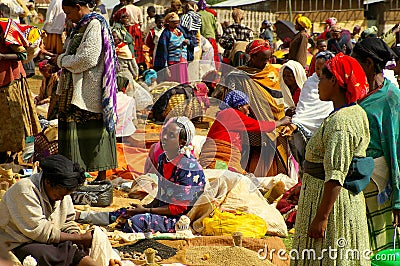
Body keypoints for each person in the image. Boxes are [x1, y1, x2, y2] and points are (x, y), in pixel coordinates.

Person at [292, 53, 371, 265]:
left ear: (335, 80)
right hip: (331, 198)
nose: (317, 83)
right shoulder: (353, 112)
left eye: (322, 78)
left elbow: (336, 175)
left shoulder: (341, 123)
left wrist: (321, 217)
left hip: (332, 206)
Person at [78, 117, 206, 233]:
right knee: (124, 212)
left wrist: (146, 211)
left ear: (182, 143)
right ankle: (82, 217)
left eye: (171, 135)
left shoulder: (188, 168)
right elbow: (161, 195)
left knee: (136, 221)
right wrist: (146, 206)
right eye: (165, 132)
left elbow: (178, 209)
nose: (164, 137)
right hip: (162, 211)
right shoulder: (163, 159)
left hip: (179, 219)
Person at [56, 0, 118, 181]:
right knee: (77, 131)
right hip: (76, 87)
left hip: (89, 89)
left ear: (78, 7)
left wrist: (60, 61)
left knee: (94, 132)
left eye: (68, 12)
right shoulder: (80, 27)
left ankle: (101, 177)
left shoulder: (94, 25)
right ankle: (77, 175)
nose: (68, 17)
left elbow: (87, 58)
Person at [0, 155, 98, 265]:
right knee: (51, 254)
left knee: (75, 249)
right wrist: (79, 238)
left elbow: (67, 221)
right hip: (16, 243)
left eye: (65, 195)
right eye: (60, 194)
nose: (62, 198)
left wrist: (75, 236)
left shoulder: (63, 194)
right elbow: (41, 232)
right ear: (48, 182)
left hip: (46, 240)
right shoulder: (25, 191)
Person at [352, 38, 400, 252]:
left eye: (356, 62)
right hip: (355, 178)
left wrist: (398, 199)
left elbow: (396, 150)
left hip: (378, 182)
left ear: (369, 63)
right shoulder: (358, 93)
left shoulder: (390, 98)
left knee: (379, 246)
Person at [223, 39, 290, 177]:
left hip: (275, 124)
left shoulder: (272, 72)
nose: (266, 62)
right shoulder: (237, 77)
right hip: (250, 127)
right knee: (252, 161)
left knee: (273, 166)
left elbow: (279, 98)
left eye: (268, 58)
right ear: (252, 57)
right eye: (263, 59)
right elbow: (231, 104)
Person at [199, 90, 291, 174]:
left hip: (219, 157)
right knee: (229, 176)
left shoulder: (227, 115)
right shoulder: (231, 114)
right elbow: (259, 126)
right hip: (220, 156)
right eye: (247, 108)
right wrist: (281, 122)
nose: (248, 112)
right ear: (239, 106)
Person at [0, 3, 40, 163]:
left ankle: (12, 154)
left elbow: (23, 56)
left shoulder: (7, 29)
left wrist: (2, 57)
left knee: (12, 120)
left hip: (10, 81)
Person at [154, 12, 189, 84]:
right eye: (174, 23)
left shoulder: (179, 31)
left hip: (182, 61)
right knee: (174, 83)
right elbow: (163, 50)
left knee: (183, 83)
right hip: (173, 63)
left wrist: (187, 42)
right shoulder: (166, 34)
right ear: (168, 22)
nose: (176, 24)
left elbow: (189, 40)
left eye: (177, 23)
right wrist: (166, 67)